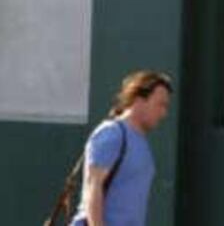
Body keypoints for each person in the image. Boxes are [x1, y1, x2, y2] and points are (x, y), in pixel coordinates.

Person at [71, 70, 173, 226]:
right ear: (139, 100)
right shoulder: (112, 133)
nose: (163, 113)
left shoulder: (141, 142)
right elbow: (93, 187)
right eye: (160, 105)